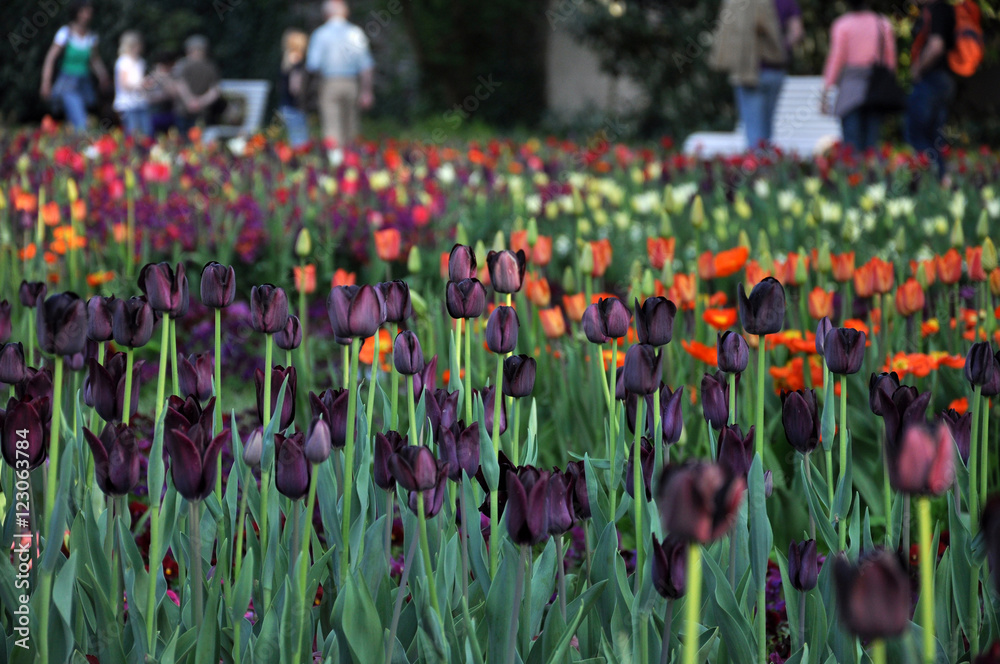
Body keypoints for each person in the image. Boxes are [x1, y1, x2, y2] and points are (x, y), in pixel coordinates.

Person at [709, 0, 802, 150]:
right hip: (775, 71)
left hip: (749, 71)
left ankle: (757, 163)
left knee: (754, 131)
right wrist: (781, 48)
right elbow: (796, 32)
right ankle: (766, 160)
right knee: (766, 128)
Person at [821, 0, 897, 152]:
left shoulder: (843, 25)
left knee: (851, 144)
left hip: (850, 90)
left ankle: (854, 167)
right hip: (876, 89)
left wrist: (826, 91)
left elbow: (836, 59)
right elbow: (890, 62)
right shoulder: (883, 24)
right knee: (872, 144)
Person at [306, 0, 375, 147]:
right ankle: (353, 156)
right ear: (346, 12)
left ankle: (335, 158)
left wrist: (309, 91)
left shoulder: (320, 34)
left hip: (329, 83)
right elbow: (366, 66)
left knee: (331, 127)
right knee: (352, 126)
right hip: (351, 83)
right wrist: (367, 91)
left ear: (325, 14)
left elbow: (313, 65)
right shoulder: (356, 33)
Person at [39, 1, 110, 132]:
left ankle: (71, 141)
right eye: (84, 12)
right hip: (67, 83)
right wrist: (46, 81)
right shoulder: (65, 33)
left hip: (84, 83)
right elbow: (51, 58)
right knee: (80, 119)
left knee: (77, 117)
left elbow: (94, 59)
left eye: (89, 12)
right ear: (77, 12)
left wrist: (103, 76)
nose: (87, 15)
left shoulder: (91, 36)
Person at [907, 0, 956, 178]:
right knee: (935, 137)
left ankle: (929, 179)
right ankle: (941, 180)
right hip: (944, 81)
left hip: (932, 80)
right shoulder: (941, 10)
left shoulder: (938, 10)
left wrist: (918, 69)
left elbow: (936, 45)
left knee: (916, 134)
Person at [174, 35, 222, 132]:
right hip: (192, 111)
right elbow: (214, 91)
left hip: (190, 110)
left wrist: (194, 102)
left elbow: (180, 85)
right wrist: (198, 102)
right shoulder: (210, 67)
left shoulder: (182, 65)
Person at [113, 31, 152, 137]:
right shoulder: (123, 61)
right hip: (128, 104)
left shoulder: (141, 61)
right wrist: (141, 84)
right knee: (133, 134)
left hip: (141, 102)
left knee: (147, 133)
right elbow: (124, 84)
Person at [279, 30, 311, 148]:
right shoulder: (297, 60)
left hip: (286, 104)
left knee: (294, 137)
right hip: (295, 106)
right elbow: (295, 87)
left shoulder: (286, 58)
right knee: (300, 141)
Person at [145, 51, 179, 135]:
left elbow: (174, 93)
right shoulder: (150, 78)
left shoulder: (172, 77)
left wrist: (163, 79)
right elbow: (147, 97)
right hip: (155, 114)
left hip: (170, 114)